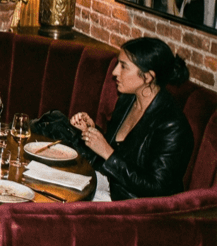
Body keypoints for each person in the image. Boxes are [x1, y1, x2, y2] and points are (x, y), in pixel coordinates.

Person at [71, 37, 194, 200]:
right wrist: (90, 130)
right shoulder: (127, 100)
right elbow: (120, 152)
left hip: (136, 209)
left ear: (148, 77)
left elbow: (157, 188)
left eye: (123, 66)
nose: (114, 72)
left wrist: (107, 152)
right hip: (109, 187)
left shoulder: (172, 125)